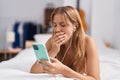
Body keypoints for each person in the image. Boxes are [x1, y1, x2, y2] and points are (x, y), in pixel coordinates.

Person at [30, 6, 100, 80]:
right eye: (54, 25)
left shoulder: (88, 42)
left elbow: (95, 78)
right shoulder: (52, 41)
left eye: (63, 25)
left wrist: (63, 70)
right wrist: (54, 51)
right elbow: (34, 71)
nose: (57, 30)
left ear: (75, 26)